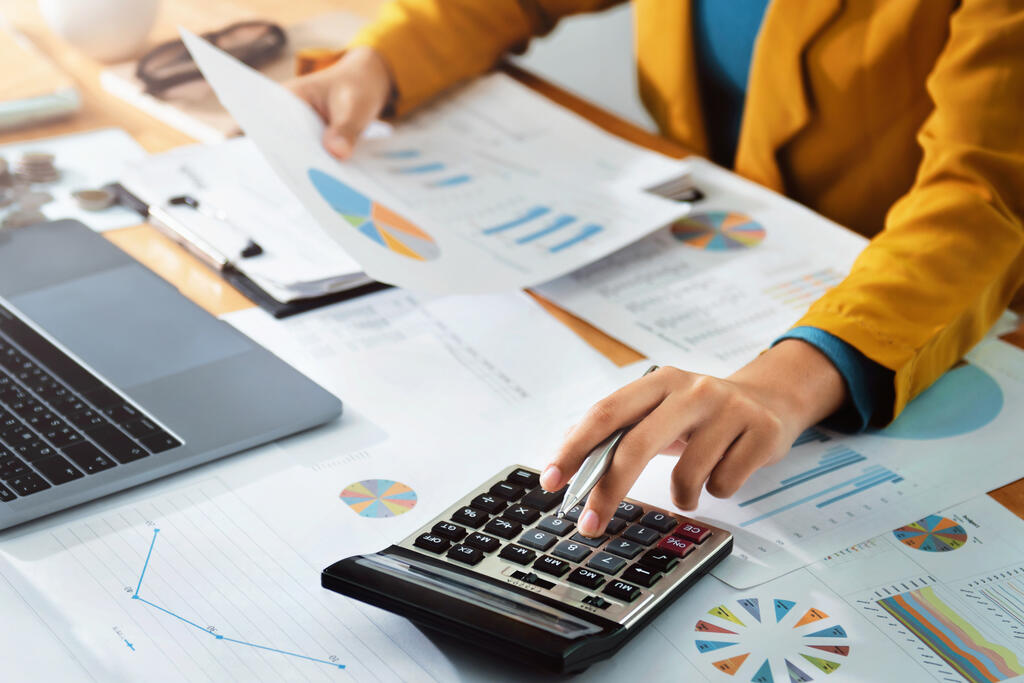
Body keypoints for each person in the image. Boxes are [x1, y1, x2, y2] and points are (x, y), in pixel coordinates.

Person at [291, 0, 1024, 538]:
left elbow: (984, 198)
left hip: (914, 299)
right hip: (696, 246)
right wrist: (385, 58)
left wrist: (781, 386)